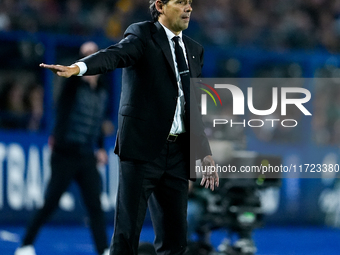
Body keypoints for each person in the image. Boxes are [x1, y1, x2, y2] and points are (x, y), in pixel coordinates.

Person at [39, 0, 219, 254]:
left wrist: (204, 152)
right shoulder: (143, 35)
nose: (189, 8)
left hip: (178, 154)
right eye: (180, 2)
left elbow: (193, 108)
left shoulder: (194, 50)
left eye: (190, 2)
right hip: (142, 151)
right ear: (160, 6)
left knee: (176, 240)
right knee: (127, 234)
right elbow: (114, 55)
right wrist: (79, 68)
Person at [14, 41, 111, 255]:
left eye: (92, 54)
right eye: (84, 54)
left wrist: (101, 148)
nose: (88, 57)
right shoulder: (73, 85)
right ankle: (25, 245)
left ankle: (104, 249)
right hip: (65, 155)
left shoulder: (103, 90)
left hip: (86, 156)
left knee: (95, 206)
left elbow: (99, 123)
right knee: (50, 203)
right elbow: (64, 102)